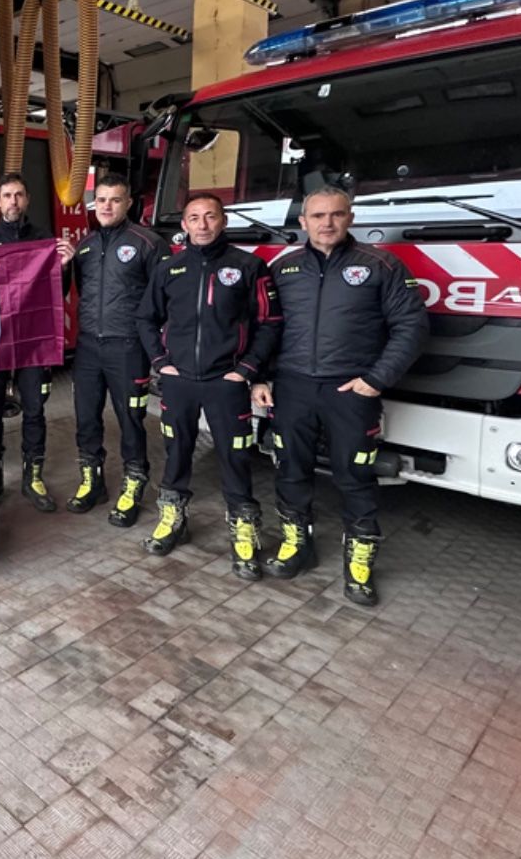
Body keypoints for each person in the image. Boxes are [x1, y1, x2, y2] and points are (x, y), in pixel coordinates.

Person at [253, 186, 428, 605]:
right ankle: (298, 545)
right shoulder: (285, 268)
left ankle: (359, 562)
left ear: (350, 218)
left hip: (350, 391)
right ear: (303, 222)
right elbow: (265, 327)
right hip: (292, 387)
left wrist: (376, 378)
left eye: (335, 215)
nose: (326, 223)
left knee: (356, 477)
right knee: (290, 469)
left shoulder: (380, 265)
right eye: (317, 216)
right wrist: (259, 377)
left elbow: (413, 326)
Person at [140, 193, 283, 577]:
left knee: (235, 458)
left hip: (227, 382)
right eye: (193, 218)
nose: (202, 225)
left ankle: (243, 531)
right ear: (183, 225)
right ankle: (172, 519)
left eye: (210, 217)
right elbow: (145, 319)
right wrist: (161, 363)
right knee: (176, 452)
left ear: (223, 222)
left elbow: (269, 323)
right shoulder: (169, 269)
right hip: (179, 382)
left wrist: (249, 369)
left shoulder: (250, 267)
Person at [0, 171, 71, 512]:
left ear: (27, 200)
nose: (13, 201)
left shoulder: (44, 240)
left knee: (35, 410)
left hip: (32, 339)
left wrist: (66, 266)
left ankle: (33, 475)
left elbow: (61, 291)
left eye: (19, 195)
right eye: (7, 195)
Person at [69, 174, 164, 520]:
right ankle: (91, 479)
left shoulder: (148, 243)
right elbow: (78, 288)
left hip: (128, 349)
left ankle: (134, 481)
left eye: (115, 200)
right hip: (89, 347)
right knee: (86, 417)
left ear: (128, 204)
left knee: (131, 419)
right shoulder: (85, 245)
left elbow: (162, 298)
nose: (107, 206)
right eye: (102, 200)